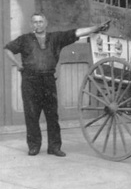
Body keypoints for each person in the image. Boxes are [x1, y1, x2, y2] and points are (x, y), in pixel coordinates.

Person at [5, 13, 109, 157]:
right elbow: (7, 48)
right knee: (31, 115)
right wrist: (17, 64)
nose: (38, 24)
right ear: (31, 25)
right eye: (35, 22)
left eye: (40, 21)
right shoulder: (24, 39)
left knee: (52, 115)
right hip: (30, 80)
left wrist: (96, 27)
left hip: (48, 79)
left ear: (45, 23)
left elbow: (76, 32)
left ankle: (54, 147)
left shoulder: (55, 38)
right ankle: (34, 146)